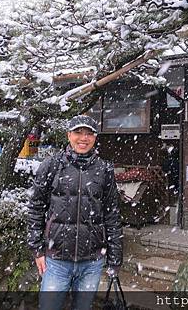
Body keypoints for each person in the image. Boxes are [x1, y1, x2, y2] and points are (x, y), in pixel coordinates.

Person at [28, 115, 122, 310]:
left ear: (95, 137)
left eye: (89, 133)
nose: (83, 138)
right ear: (69, 135)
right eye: (78, 132)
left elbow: (112, 214)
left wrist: (115, 257)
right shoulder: (52, 165)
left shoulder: (104, 170)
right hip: (57, 260)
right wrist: (37, 249)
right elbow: (36, 207)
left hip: (92, 261)